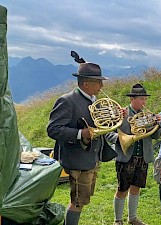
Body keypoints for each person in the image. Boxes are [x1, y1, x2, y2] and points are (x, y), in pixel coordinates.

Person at [47, 62, 112, 225]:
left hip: (91, 158)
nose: (101, 85)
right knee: (78, 201)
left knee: (81, 200)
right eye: (98, 82)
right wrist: (80, 133)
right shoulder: (67, 101)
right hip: (77, 159)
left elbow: (100, 125)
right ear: (86, 83)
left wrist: (115, 116)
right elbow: (53, 129)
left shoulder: (94, 100)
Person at [108, 84, 161, 225]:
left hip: (143, 156)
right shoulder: (121, 113)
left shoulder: (149, 115)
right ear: (132, 99)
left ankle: (132, 218)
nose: (144, 102)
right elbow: (108, 134)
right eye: (141, 99)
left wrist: (158, 124)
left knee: (136, 187)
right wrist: (120, 140)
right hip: (126, 156)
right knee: (122, 188)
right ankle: (117, 220)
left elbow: (156, 136)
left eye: (145, 99)